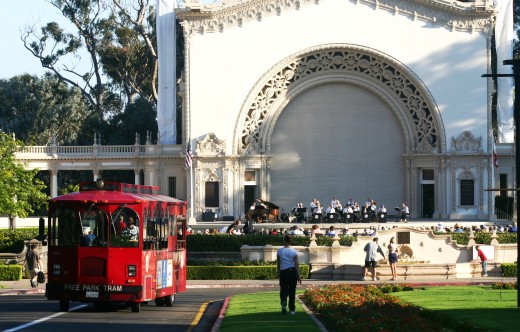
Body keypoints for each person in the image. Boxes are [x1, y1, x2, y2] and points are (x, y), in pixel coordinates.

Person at [277, 235, 301, 315]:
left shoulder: (279, 251)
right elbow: (296, 264)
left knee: (283, 289)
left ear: (284, 241)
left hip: (283, 271)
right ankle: (292, 310)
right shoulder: (294, 251)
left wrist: (278, 274)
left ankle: (283, 302)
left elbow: (278, 264)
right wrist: (298, 276)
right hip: (292, 271)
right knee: (292, 291)